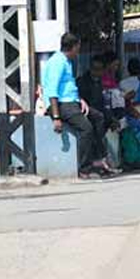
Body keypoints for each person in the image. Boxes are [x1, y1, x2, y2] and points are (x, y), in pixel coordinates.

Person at [42, 33, 117, 177]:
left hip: (72, 101)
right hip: (61, 104)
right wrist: (56, 117)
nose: (78, 51)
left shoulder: (67, 62)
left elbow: (69, 88)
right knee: (86, 128)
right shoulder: (57, 62)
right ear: (74, 47)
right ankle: (84, 167)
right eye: (78, 47)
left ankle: (99, 158)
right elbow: (52, 91)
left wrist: (80, 100)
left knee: (98, 117)